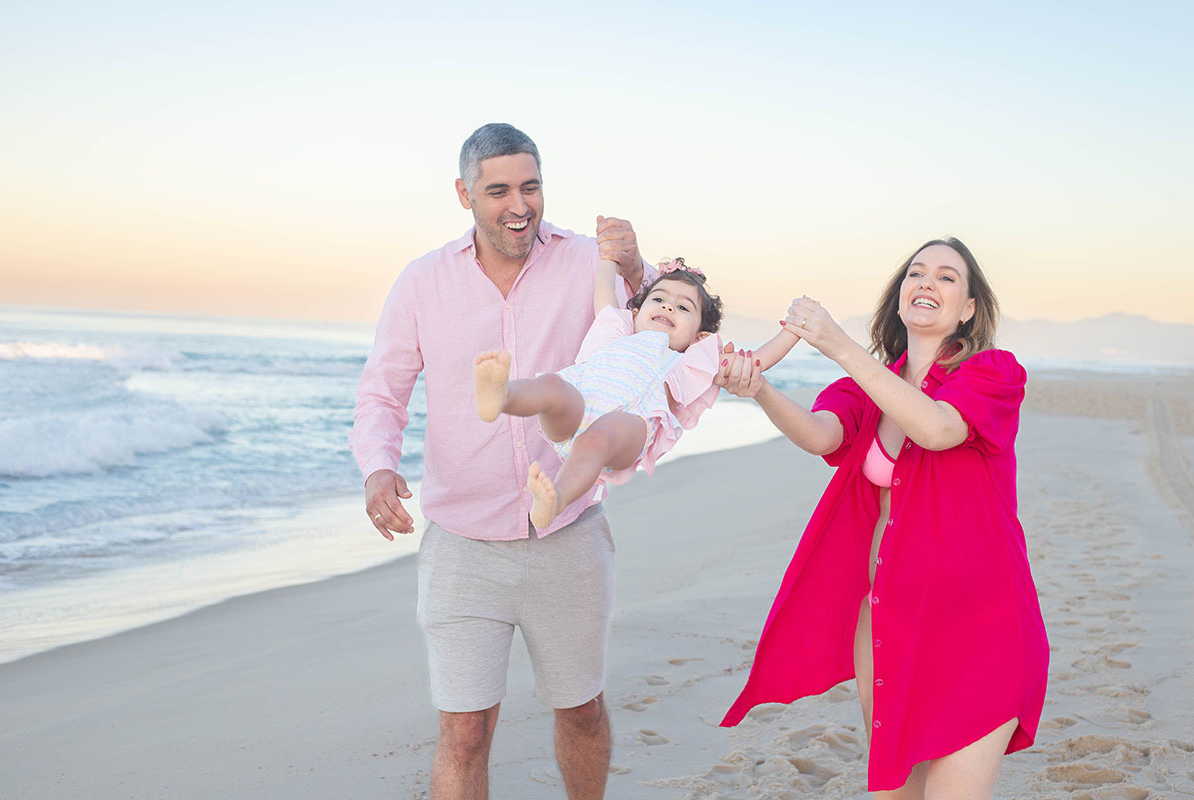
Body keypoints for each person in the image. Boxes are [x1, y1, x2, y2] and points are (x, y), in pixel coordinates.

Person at [350, 123, 650, 800]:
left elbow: (667, 314)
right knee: (464, 730)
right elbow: (381, 392)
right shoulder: (422, 283)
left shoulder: (586, 262)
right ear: (464, 194)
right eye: (499, 191)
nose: (520, 205)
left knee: (580, 710)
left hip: (567, 533)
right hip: (463, 549)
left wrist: (634, 266)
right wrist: (377, 467)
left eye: (531, 186)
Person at [715, 238, 1049, 798]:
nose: (927, 282)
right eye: (916, 273)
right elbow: (821, 434)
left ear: (968, 308)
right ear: (899, 298)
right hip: (890, 625)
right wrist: (761, 389)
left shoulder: (992, 372)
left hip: (982, 624)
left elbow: (939, 429)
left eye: (947, 277)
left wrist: (840, 345)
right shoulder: (867, 388)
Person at [474, 257, 799, 529]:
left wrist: (793, 331)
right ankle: (503, 396)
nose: (668, 307)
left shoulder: (690, 361)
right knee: (553, 386)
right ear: (636, 312)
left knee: (599, 437)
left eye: (683, 307)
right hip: (577, 407)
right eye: (659, 299)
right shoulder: (616, 332)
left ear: (699, 335)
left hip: (629, 427)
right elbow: (603, 291)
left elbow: (755, 361)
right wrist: (608, 258)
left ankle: (555, 500)